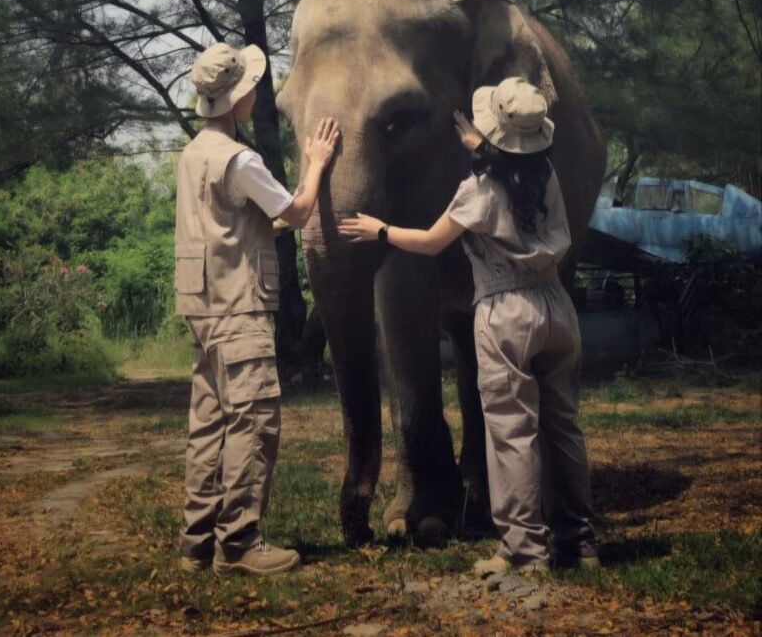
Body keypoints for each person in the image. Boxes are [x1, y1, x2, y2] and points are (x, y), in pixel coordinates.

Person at [338, 77, 597, 576]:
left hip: (506, 312)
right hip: (557, 308)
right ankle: (579, 543)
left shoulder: (476, 192)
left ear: (494, 136)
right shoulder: (546, 176)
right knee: (563, 429)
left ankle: (523, 549)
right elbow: (514, 171)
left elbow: (433, 242)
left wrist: (382, 230)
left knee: (512, 433)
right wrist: (484, 145)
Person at [175, 42, 339, 576]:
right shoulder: (239, 159)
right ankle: (240, 544)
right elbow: (295, 212)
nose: (255, 93)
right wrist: (315, 165)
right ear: (239, 97)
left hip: (203, 308)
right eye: (250, 87)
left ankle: (197, 543)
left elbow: (226, 226)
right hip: (238, 309)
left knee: (209, 424)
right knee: (253, 421)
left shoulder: (195, 153)